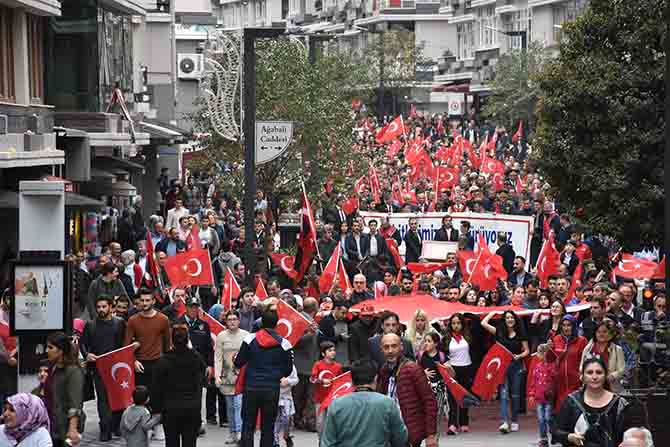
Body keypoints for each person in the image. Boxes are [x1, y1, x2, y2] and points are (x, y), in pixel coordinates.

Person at [234, 308, 294, 447]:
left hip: (251, 387)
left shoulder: (250, 339)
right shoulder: (284, 343)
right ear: (276, 323)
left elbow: (239, 362)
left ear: (261, 322)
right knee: (268, 426)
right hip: (271, 389)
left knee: (248, 424)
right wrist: (276, 374)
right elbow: (288, 370)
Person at [320, 359, 408, 447]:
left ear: (351, 380)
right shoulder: (388, 403)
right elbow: (400, 438)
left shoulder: (336, 405)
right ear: (375, 378)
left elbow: (327, 442)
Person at [553, 357, 635, 447]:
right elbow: (556, 432)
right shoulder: (572, 401)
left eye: (599, 372)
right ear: (582, 376)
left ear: (605, 375)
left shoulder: (619, 404)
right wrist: (569, 437)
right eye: (589, 372)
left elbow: (631, 435)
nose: (594, 377)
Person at [124, 288, 171, 441]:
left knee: (158, 396)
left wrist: (166, 363)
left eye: (147, 300)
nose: (144, 303)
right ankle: (144, 426)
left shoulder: (163, 319)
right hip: (140, 364)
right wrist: (134, 361)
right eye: (142, 300)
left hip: (158, 362)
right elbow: (127, 346)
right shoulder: (132, 321)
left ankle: (158, 426)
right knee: (141, 397)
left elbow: (168, 344)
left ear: (153, 301)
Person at [79, 295, 128, 441]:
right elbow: (83, 344)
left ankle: (116, 425)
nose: (101, 309)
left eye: (104, 306)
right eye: (99, 307)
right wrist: (87, 355)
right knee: (103, 399)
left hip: (117, 367)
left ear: (111, 307)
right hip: (99, 368)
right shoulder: (91, 325)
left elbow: (125, 343)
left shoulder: (119, 324)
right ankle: (105, 428)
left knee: (118, 397)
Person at [376, 333, 438, 447]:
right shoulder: (383, 370)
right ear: (381, 349)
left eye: (394, 346)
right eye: (386, 347)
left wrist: (431, 435)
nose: (390, 351)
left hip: (409, 432)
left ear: (401, 347)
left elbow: (430, 402)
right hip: (388, 433)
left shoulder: (413, 369)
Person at [151, 323, 207, 447]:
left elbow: (155, 388)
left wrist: (156, 410)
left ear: (172, 340)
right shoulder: (196, 358)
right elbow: (203, 379)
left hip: (170, 409)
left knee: (171, 442)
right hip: (191, 409)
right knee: (190, 443)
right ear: (187, 339)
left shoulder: (163, 361)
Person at [481, 310, 530, 434]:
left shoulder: (521, 333)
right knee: (503, 394)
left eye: (512, 317)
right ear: (504, 320)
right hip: (502, 367)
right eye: (507, 318)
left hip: (516, 366)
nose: (510, 320)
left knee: (515, 395)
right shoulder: (499, 331)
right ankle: (504, 422)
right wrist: (494, 312)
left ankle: (514, 420)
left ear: (515, 320)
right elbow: (484, 323)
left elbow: (527, 351)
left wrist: (519, 356)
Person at [176, 297, 214, 433]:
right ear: (185, 307)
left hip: (199, 367)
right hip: (180, 366)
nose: (193, 309)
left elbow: (209, 347)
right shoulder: (177, 323)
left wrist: (210, 365)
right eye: (191, 306)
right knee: (181, 394)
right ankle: (182, 423)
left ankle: (198, 423)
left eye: (196, 307)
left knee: (198, 395)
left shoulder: (204, 325)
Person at [441, 312, 482, 434]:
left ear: (462, 324)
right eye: (453, 323)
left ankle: (464, 422)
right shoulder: (447, 338)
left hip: (467, 368)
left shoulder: (468, 336)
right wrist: (446, 364)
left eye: (458, 323)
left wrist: (466, 314)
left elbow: (477, 322)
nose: (456, 325)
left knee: (465, 396)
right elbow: (442, 354)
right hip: (452, 370)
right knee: (452, 398)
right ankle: (452, 424)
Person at [215, 310, 249, 444]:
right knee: (229, 407)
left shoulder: (246, 335)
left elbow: (249, 357)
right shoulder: (221, 336)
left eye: (235, 319)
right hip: (227, 377)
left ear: (239, 321)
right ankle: (232, 432)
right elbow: (217, 358)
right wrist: (217, 376)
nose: (232, 322)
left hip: (242, 377)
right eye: (230, 319)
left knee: (238, 405)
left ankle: (239, 432)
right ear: (226, 321)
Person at [44, 332, 84, 446]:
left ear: (61, 351)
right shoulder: (53, 367)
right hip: (50, 422)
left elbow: (75, 403)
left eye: (51, 347)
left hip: (64, 426)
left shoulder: (73, 371)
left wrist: (72, 428)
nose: (47, 350)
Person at [544, 315, 588, 412]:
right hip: (559, 383)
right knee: (560, 411)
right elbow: (549, 359)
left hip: (576, 382)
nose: (566, 328)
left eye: (569, 325)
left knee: (576, 409)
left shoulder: (582, 341)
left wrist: (582, 376)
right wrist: (549, 349)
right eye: (563, 325)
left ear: (574, 326)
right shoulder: (556, 339)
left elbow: (585, 361)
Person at [416, 333, 450, 437]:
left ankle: (435, 432)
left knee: (438, 411)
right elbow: (415, 369)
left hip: (439, 388)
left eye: (429, 341)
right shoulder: (421, 355)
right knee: (426, 410)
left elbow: (450, 371)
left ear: (436, 343)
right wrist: (423, 372)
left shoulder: (441, 355)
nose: (426, 343)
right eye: (425, 341)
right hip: (425, 388)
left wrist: (447, 368)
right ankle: (428, 430)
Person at [580, 319, 626, 393]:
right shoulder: (588, 347)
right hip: (590, 385)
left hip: (611, 387)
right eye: (598, 332)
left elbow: (622, 369)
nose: (601, 334)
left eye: (604, 332)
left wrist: (612, 376)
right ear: (595, 333)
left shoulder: (617, 349)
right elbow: (582, 366)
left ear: (610, 334)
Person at [310, 341, 343, 438]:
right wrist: (321, 381)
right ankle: (321, 442)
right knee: (320, 424)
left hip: (333, 399)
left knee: (333, 423)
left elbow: (341, 381)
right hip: (320, 399)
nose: (333, 352)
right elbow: (312, 379)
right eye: (330, 350)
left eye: (334, 350)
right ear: (323, 353)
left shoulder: (338, 366)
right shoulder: (318, 365)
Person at [527, 344, 558, 447]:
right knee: (541, 418)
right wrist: (531, 394)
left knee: (548, 417)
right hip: (539, 398)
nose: (538, 355)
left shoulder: (552, 366)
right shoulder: (537, 367)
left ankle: (554, 433)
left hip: (548, 397)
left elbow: (554, 377)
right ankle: (543, 438)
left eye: (540, 353)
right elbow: (533, 381)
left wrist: (550, 366)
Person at [274, 365, 298, 447]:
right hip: (273, 396)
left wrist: (288, 381)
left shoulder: (290, 365)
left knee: (287, 418)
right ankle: (275, 441)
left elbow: (296, 379)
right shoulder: (271, 362)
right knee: (275, 419)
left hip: (286, 397)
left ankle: (287, 436)